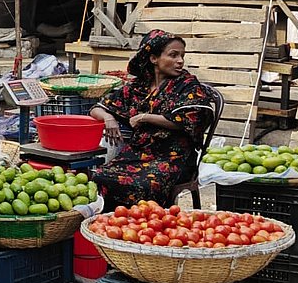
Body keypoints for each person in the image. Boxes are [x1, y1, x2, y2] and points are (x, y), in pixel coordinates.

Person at [89, 30, 216, 208]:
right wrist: (109, 119)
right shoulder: (138, 86)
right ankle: (111, 224)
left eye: (182, 56)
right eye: (173, 55)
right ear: (153, 58)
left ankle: (146, 227)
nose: (180, 61)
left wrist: (146, 117)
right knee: (100, 177)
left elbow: (193, 119)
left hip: (173, 158)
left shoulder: (187, 85)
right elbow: (96, 109)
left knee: (144, 185)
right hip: (137, 154)